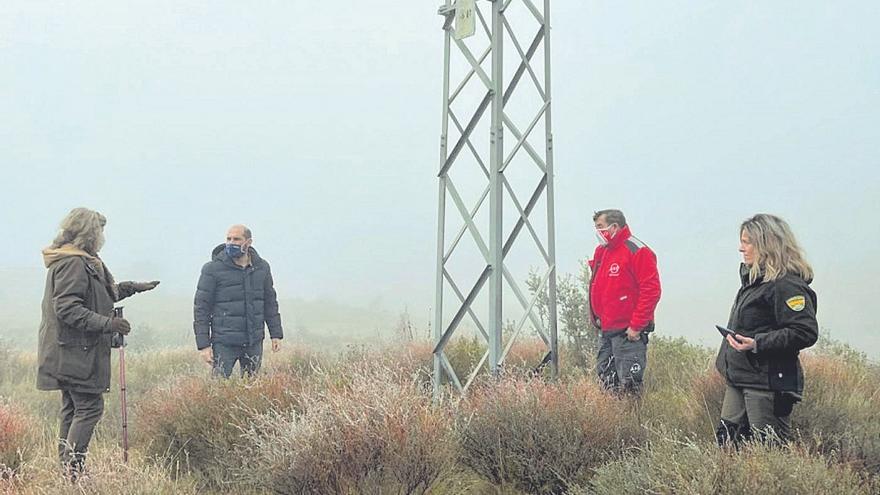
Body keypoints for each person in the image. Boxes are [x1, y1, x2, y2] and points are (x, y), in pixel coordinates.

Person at [36, 207, 159, 480]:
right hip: (75, 351)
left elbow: (97, 295)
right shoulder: (74, 262)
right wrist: (108, 324)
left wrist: (131, 287)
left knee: (72, 408)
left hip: (69, 350)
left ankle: (67, 473)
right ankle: (74, 473)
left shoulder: (79, 259)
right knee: (89, 407)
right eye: (100, 229)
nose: (103, 235)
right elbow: (67, 308)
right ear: (90, 232)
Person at [715, 214, 818, 445]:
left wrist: (757, 343)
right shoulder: (754, 281)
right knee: (727, 444)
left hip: (768, 382)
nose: (741, 248)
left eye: (747, 242)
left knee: (768, 450)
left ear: (767, 245)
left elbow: (805, 331)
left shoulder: (787, 285)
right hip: (740, 377)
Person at [193, 224, 283, 378]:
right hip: (224, 342)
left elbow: (270, 302)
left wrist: (276, 334)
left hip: (253, 341)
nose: (231, 243)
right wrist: (204, 345)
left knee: (252, 388)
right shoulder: (212, 269)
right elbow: (201, 308)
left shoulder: (262, 268)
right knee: (218, 389)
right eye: (228, 239)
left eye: (236, 239)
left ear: (248, 242)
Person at [589, 209, 661, 395]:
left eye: (600, 227)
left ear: (614, 227)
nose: (597, 232)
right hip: (607, 330)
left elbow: (651, 291)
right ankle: (611, 423)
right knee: (606, 384)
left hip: (629, 334)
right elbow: (598, 286)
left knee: (630, 387)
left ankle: (631, 423)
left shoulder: (637, 250)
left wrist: (636, 326)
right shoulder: (602, 252)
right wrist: (597, 317)